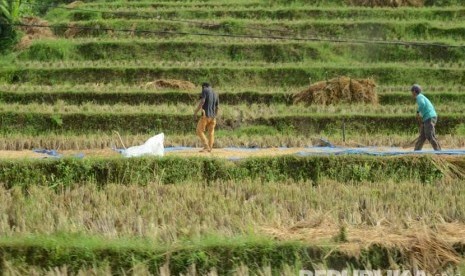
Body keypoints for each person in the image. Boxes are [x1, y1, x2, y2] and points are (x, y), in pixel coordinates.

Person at [411, 84, 441, 151]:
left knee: (430, 135)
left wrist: (418, 112)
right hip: (427, 118)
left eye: (412, 91)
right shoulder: (421, 97)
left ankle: (439, 152)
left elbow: (422, 104)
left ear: (414, 91)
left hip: (429, 117)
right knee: (422, 137)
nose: (411, 93)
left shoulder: (419, 97)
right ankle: (416, 152)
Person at [194, 82, 219, 152]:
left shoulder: (205, 90)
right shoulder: (216, 93)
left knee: (199, 131)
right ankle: (210, 147)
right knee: (211, 132)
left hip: (205, 115)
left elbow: (202, 101)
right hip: (213, 117)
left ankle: (206, 146)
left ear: (204, 86)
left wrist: (196, 111)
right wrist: (215, 116)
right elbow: (217, 107)